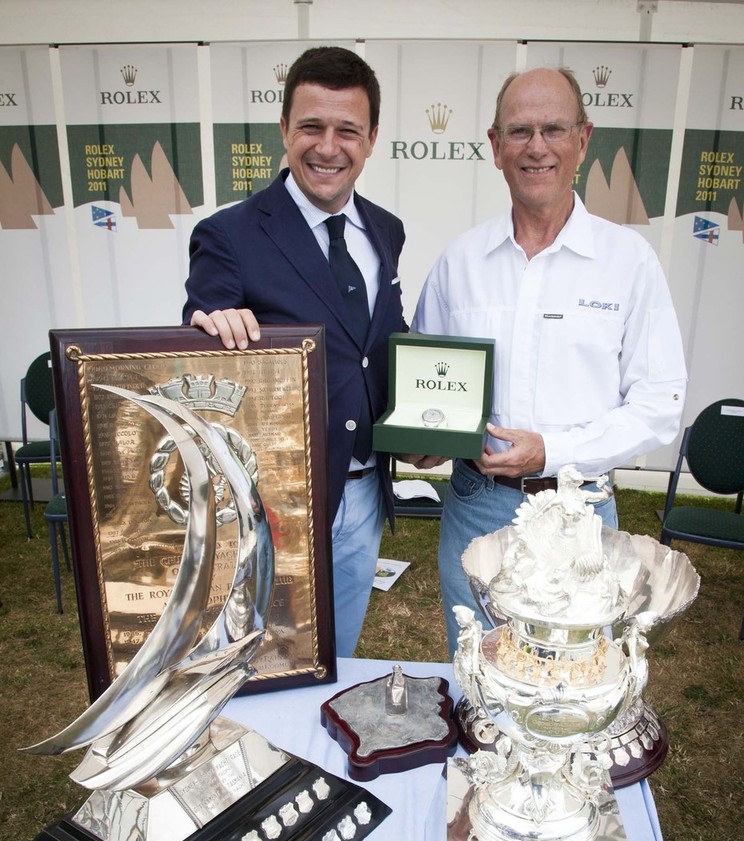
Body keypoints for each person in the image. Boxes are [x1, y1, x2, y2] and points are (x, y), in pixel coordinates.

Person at [412, 67, 687, 654]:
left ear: (583, 140)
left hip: (580, 511)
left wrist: (552, 452)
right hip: (475, 508)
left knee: (574, 681)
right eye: (519, 131)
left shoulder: (628, 262)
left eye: (553, 129)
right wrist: (423, 437)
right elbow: (425, 393)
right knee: (479, 675)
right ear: (494, 146)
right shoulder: (459, 264)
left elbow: (658, 404)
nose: (536, 147)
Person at [183, 46, 427, 657]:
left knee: (335, 656)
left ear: (371, 138)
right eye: (311, 127)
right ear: (284, 130)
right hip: (275, 504)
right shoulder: (228, 235)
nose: (328, 146)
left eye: (347, 130)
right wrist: (210, 326)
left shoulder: (386, 229)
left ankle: (315, 757)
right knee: (260, 658)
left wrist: (423, 425)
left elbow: (376, 350)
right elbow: (199, 332)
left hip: (366, 492)